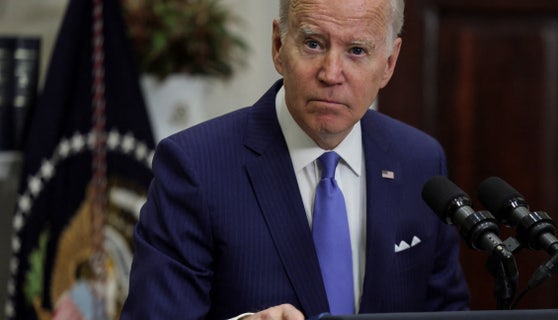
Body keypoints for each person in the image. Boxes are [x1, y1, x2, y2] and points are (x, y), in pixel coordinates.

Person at [121, 0, 470, 319]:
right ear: (278, 46)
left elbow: (446, 311)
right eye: (313, 44)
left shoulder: (420, 162)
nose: (331, 73)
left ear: (389, 63)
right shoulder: (195, 166)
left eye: (357, 50)